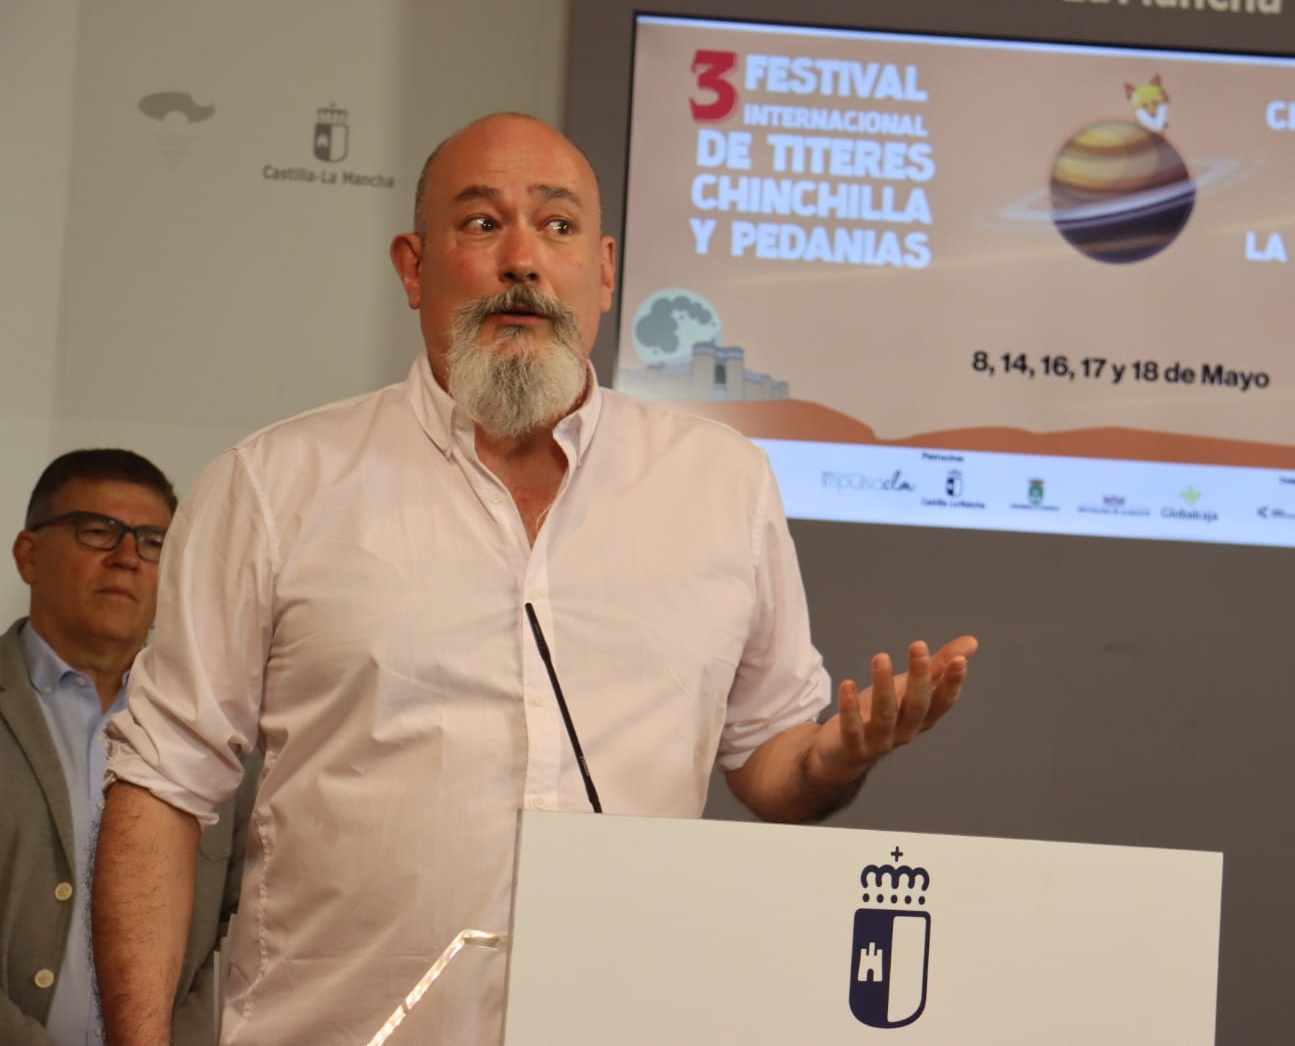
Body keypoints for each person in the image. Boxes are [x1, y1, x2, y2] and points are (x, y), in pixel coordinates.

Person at [92, 113, 977, 1046]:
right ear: (413, 267)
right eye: (482, 224)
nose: (522, 260)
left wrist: (837, 756)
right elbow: (160, 782)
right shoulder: (275, 485)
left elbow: (769, 762)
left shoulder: (723, 484)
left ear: (603, 272)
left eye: (557, 227)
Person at [0, 449, 254, 1045]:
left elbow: (245, 924)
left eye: (154, 542)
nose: (127, 557)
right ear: (28, 555)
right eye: (97, 531)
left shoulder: (222, 735)